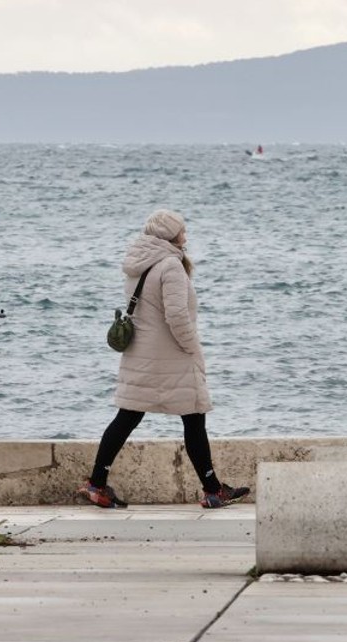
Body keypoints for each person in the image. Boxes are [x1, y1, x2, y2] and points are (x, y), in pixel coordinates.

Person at [79, 209, 250, 509]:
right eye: (182, 230)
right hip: (172, 357)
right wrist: (193, 347)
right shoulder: (170, 266)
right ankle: (213, 490)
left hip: (142, 355)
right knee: (194, 417)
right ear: (170, 235)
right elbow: (176, 317)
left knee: (127, 416)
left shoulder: (138, 262)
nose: (186, 235)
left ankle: (96, 484)